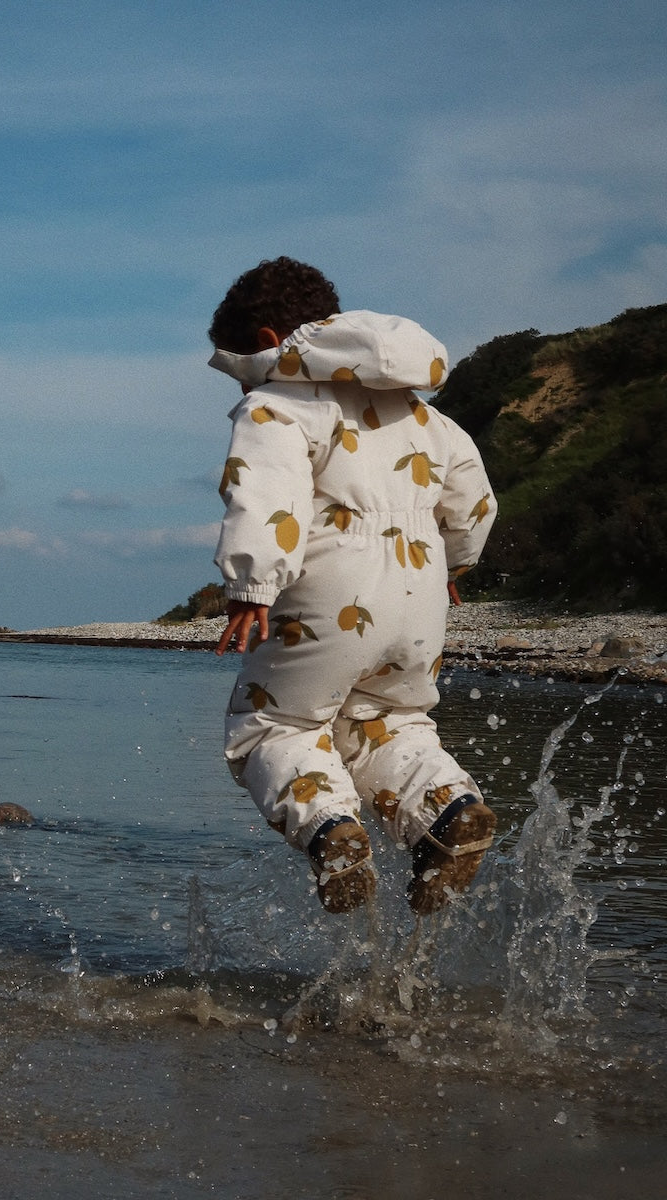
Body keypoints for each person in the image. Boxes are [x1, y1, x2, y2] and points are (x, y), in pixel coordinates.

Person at [208, 257, 497, 916]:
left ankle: (330, 831)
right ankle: (447, 809)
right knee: (390, 723)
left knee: (272, 726)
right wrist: (454, 563)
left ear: (262, 342)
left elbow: (268, 494)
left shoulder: (274, 404)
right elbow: (476, 502)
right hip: (418, 598)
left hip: (329, 593)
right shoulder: (424, 418)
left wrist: (250, 584)